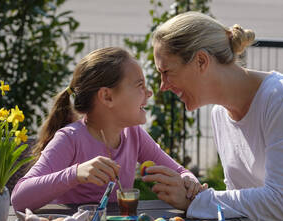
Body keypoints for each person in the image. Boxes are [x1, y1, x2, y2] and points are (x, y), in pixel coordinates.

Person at [142, 11, 283, 221]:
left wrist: (197, 200)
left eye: (166, 72)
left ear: (201, 61)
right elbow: (239, 201)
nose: (163, 86)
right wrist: (196, 195)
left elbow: (279, 204)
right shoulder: (220, 113)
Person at [11, 47, 202, 212]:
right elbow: (19, 197)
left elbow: (180, 171)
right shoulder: (70, 139)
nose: (150, 92)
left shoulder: (134, 135)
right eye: (139, 85)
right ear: (107, 97)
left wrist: (189, 181)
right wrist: (75, 174)